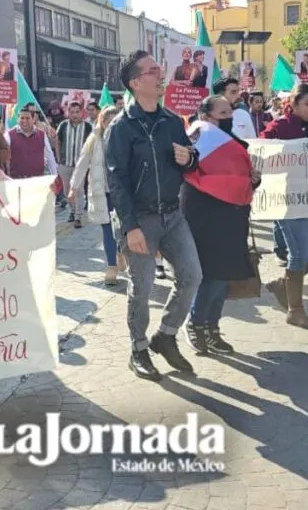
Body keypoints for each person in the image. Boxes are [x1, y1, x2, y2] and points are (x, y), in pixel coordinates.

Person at [106, 50, 202, 381]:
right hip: (140, 220)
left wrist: (189, 158)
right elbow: (117, 182)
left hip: (173, 215)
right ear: (135, 83)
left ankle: (166, 334)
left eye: (160, 69)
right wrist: (130, 227)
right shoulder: (121, 128)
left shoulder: (172, 122)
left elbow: (191, 160)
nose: (161, 75)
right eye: (153, 71)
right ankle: (138, 349)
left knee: (192, 276)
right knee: (143, 287)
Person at [182, 95, 260, 355]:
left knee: (224, 276)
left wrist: (252, 180)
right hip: (204, 215)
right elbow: (191, 174)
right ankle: (195, 323)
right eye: (223, 113)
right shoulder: (196, 139)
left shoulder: (233, 143)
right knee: (211, 275)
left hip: (232, 215)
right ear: (206, 117)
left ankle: (212, 328)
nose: (229, 118)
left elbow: (239, 178)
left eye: (230, 113)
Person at [261, 83, 308, 331]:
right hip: (288, 200)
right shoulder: (279, 127)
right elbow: (260, 152)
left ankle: (284, 283)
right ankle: (296, 311)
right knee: (299, 255)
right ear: (293, 104)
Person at [69, 105, 123, 285]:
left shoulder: (126, 138)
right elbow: (82, 164)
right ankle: (111, 266)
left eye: (116, 121)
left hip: (122, 192)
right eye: (109, 121)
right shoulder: (93, 139)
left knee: (122, 228)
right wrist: (74, 187)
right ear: (103, 121)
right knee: (107, 228)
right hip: (102, 191)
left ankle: (121, 253)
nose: (112, 125)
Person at [57, 101, 93, 228]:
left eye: (77, 112)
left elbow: (91, 144)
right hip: (65, 163)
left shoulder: (87, 127)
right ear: (68, 112)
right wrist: (58, 158)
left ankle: (78, 216)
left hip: (80, 164)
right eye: (72, 112)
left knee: (79, 189)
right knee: (67, 190)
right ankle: (72, 210)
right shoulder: (63, 125)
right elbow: (58, 141)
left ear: (81, 112)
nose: (75, 115)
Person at [6, 107, 59, 180]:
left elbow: (50, 156)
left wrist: (54, 176)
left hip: (37, 181)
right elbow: (5, 158)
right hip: (16, 180)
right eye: (22, 118)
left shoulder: (42, 135)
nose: (24, 121)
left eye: (27, 118)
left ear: (33, 119)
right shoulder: (9, 135)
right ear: (18, 119)